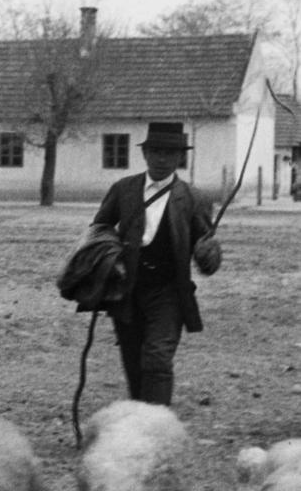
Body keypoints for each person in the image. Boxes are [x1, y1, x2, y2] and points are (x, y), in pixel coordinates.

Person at [85, 121, 221, 407]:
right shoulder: (123, 189)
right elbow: (98, 229)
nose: (162, 159)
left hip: (169, 292)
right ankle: (139, 422)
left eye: (169, 153)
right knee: (133, 361)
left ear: (179, 158)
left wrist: (209, 252)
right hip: (127, 289)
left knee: (157, 358)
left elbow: (208, 261)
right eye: (156, 151)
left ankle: (157, 427)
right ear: (145, 154)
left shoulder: (194, 198)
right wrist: (107, 259)